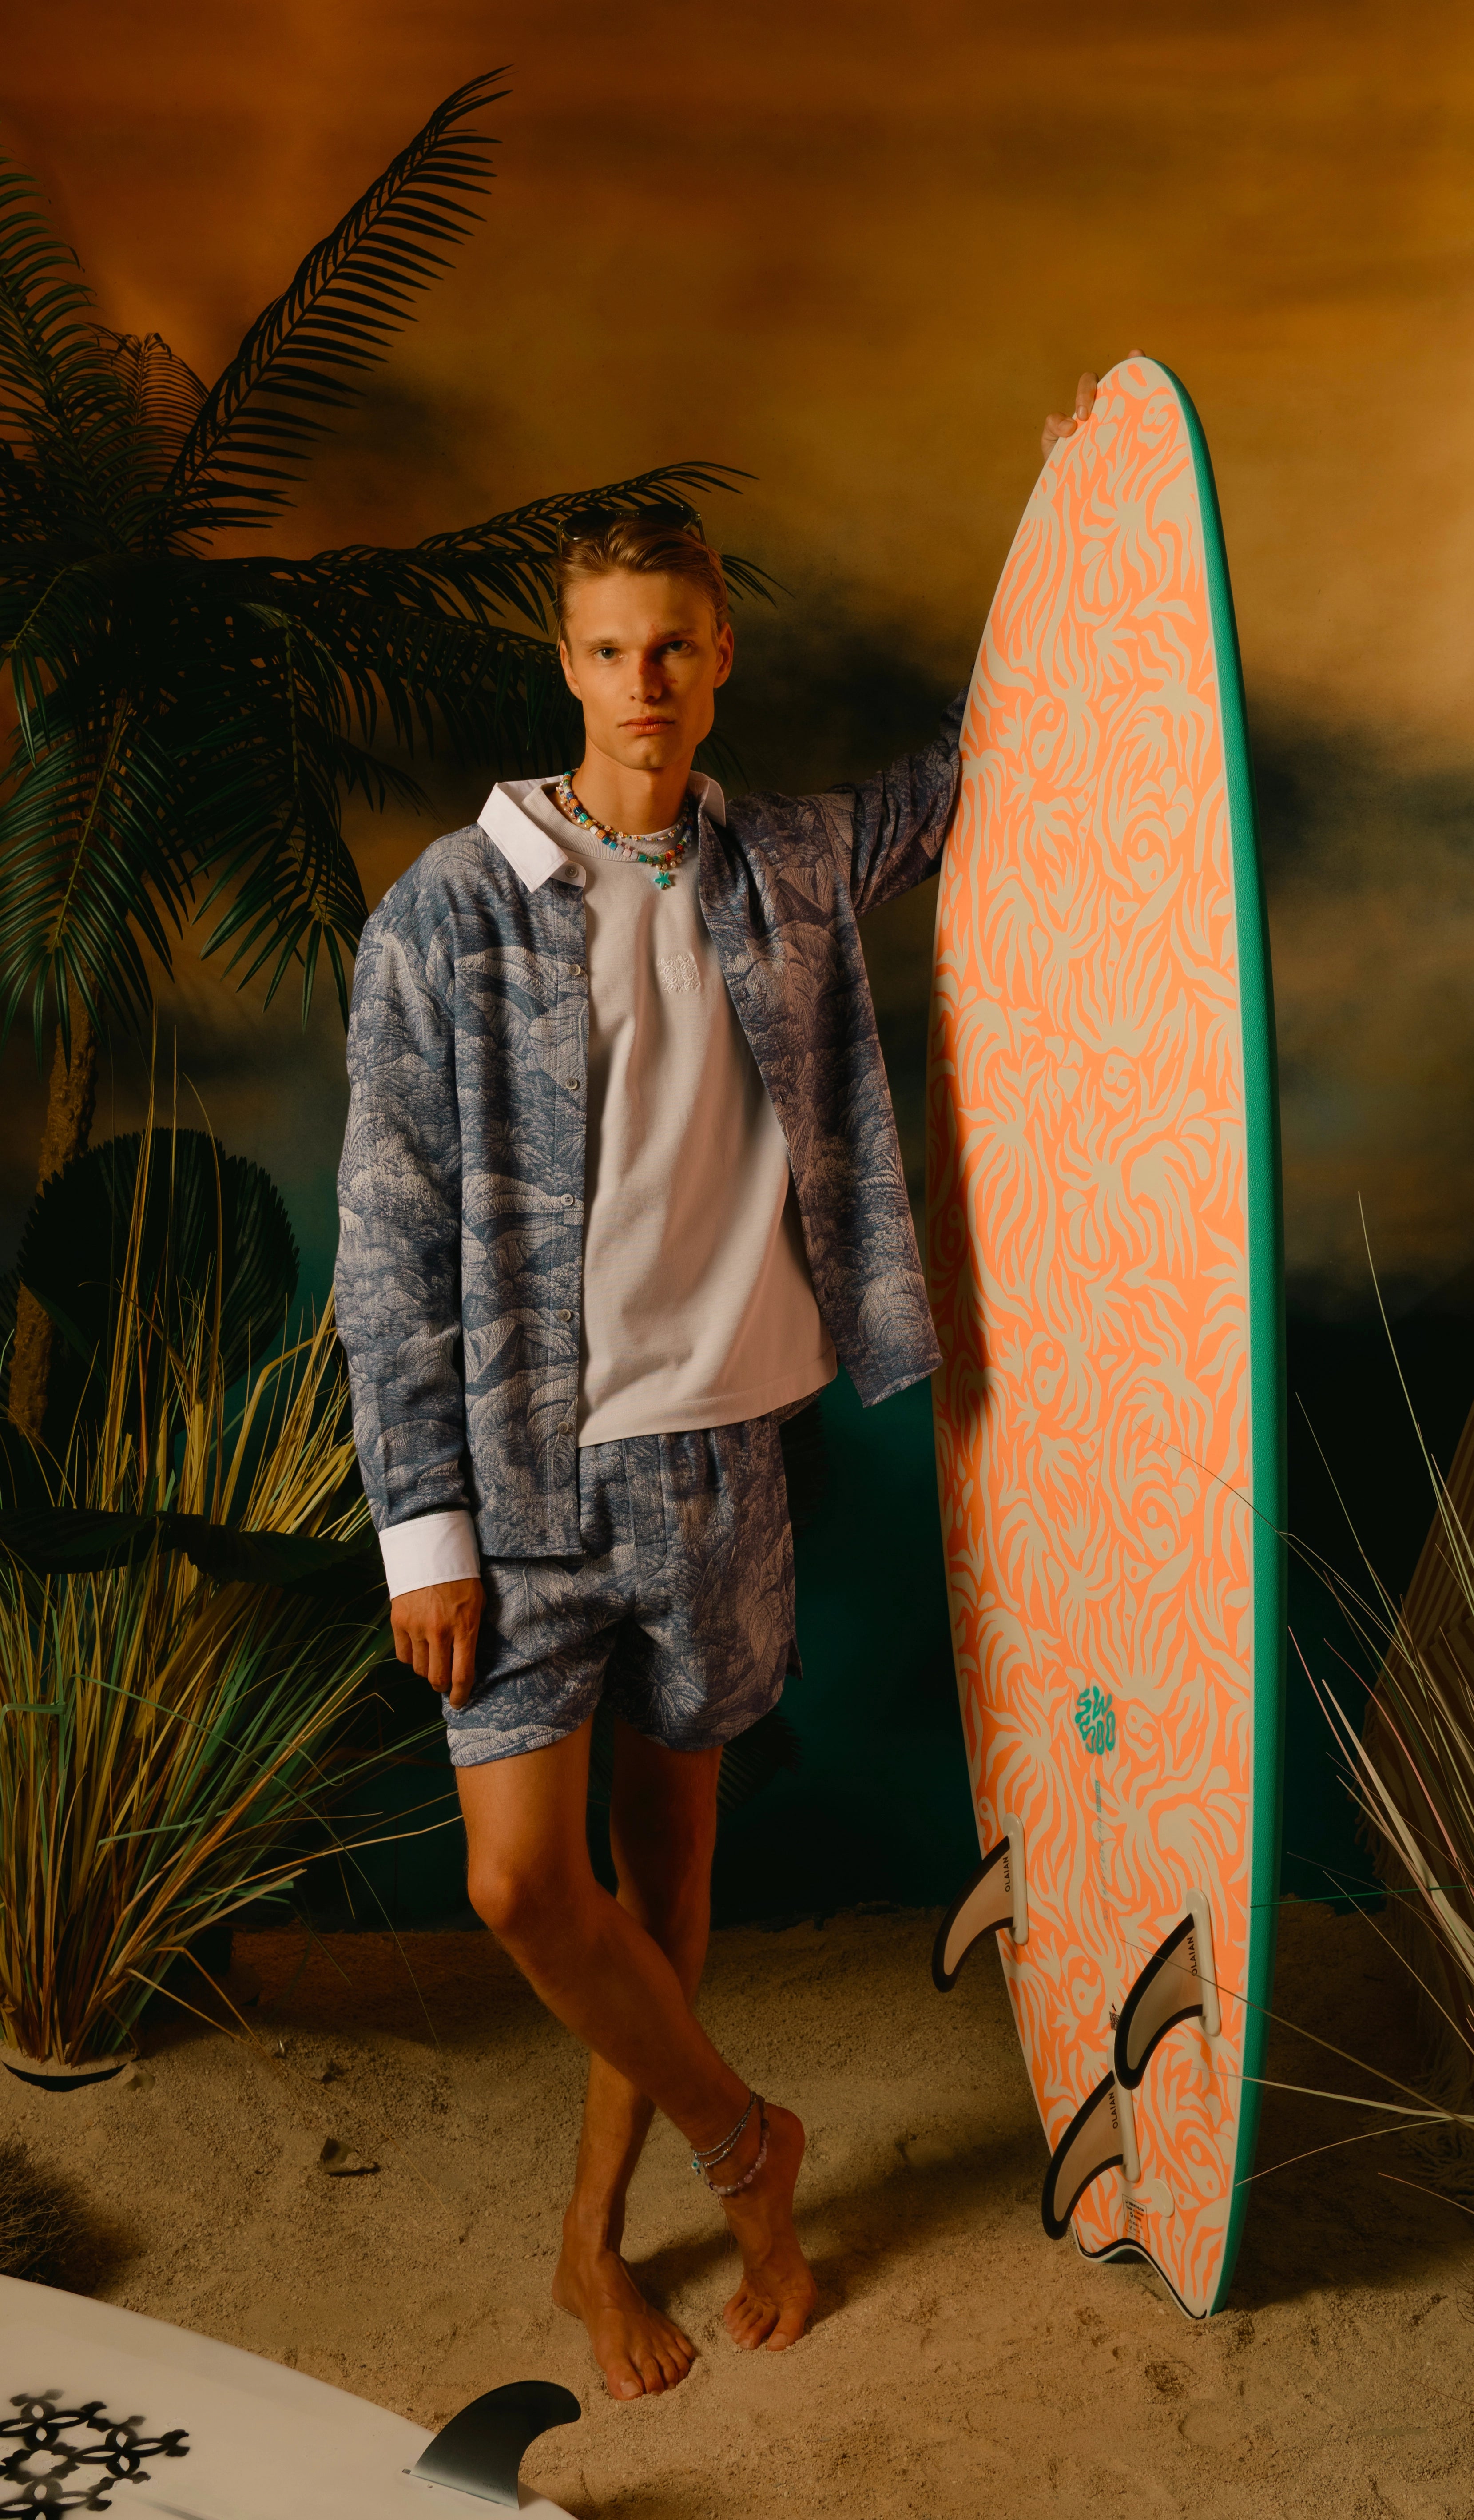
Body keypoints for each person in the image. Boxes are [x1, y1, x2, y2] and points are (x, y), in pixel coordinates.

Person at [334, 374, 1099, 2402]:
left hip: (722, 1461)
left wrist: (1081, 506)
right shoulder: (451, 912)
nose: (643, 686)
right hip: (520, 1485)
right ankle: (750, 2145)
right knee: (524, 1884)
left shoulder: (787, 864)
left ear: (720, 651)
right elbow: (386, 1242)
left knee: (665, 1893)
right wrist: (422, 1528)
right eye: (609, 652)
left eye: (673, 646)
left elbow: (977, 765)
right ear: (566, 665)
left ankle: (594, 2247)